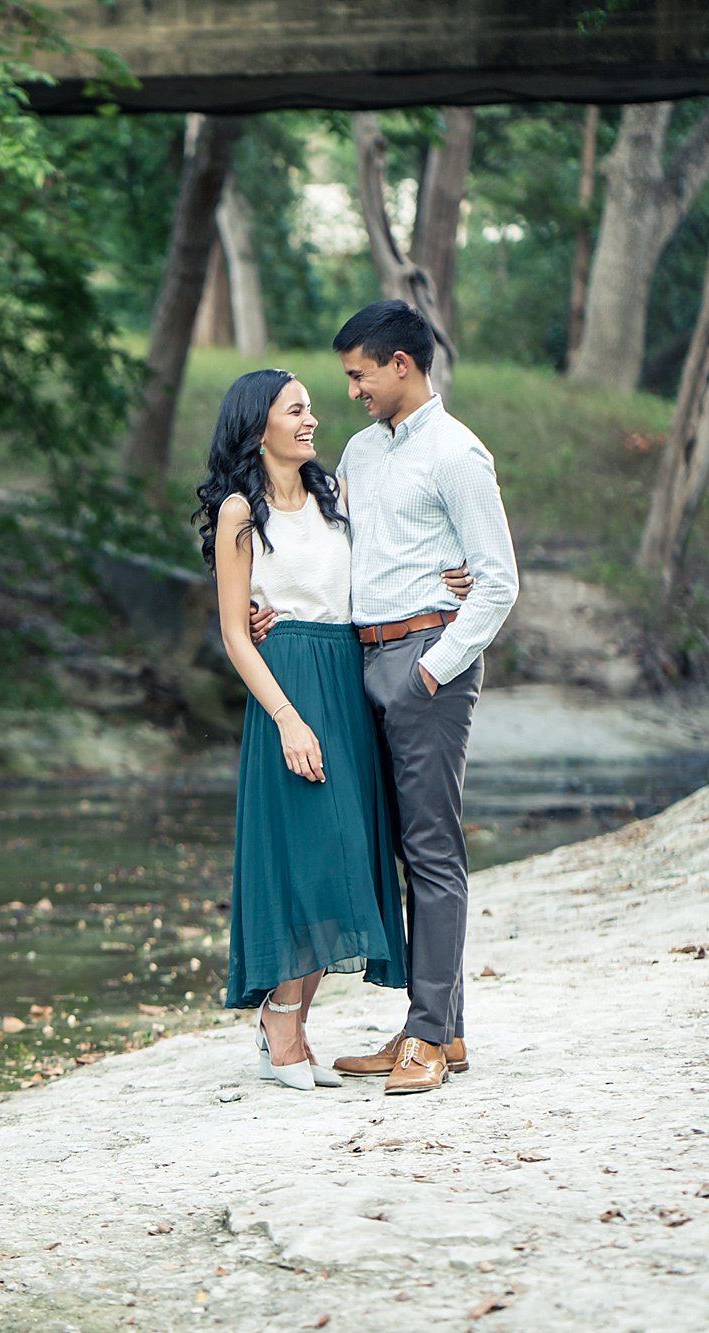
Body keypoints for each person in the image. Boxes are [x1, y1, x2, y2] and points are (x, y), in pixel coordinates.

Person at [196, 367, 473, 1091]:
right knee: (306, 858)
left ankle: (292, 1022)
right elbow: (233, 631)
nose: (312, 419)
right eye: (297, 409)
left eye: (312, 407)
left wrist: (457, 574)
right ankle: (282, 1021)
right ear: (260, 427)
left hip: (347, 676)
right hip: (287, 682)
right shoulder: (237, 513)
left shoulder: (334, 491)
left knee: (350, 851)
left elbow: (395, 550)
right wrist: (286, 716)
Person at [325, 300, 520, 1096]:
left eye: (359, 374)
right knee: (400, 847)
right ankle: (441, 1026)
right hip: (363, 654)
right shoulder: (360, 452)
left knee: (433, 850)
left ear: (401, 364)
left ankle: (428, 1038)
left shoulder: (458, 454)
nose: (353, 390)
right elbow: (330, 542)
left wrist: (434, 669)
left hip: (423, 660)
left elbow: (499, 579)